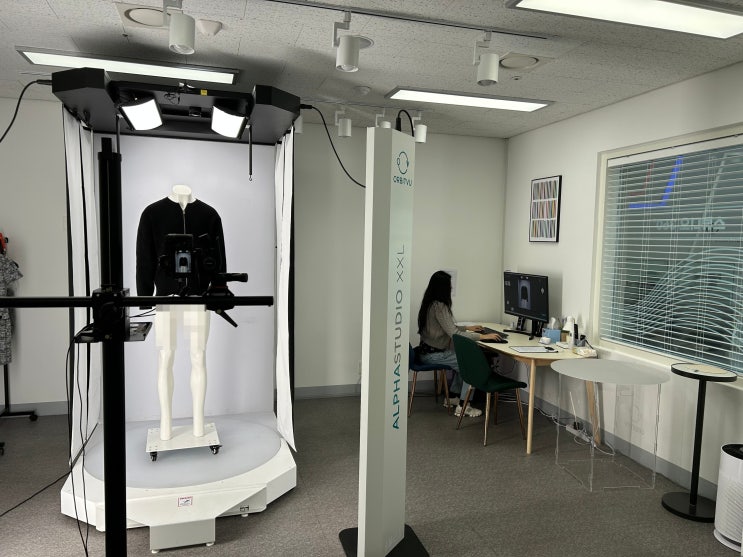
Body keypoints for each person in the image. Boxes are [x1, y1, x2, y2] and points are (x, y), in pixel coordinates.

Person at [136, 185, 224, 441]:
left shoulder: (209, 215)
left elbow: (219, 259)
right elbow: (144, 257)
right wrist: (145, 297)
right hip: (166, 298)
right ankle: (166, 422)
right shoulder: (152, 213)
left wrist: (219, 294)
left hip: (199, 297)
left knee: (198, 356)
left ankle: (199, 421)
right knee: (165, 357)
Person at [416, 270, 502, 418]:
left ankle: (453, 397)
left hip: (425, 352)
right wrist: (482, 336)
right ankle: (464, 406)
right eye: (449, 286)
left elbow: (447, 327)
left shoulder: (430, 303)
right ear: (443, 288)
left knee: (461, 360)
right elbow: (454, 334)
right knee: (470, 364)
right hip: (433, 355)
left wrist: (468, 328)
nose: (451, 288)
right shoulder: (440, 306)